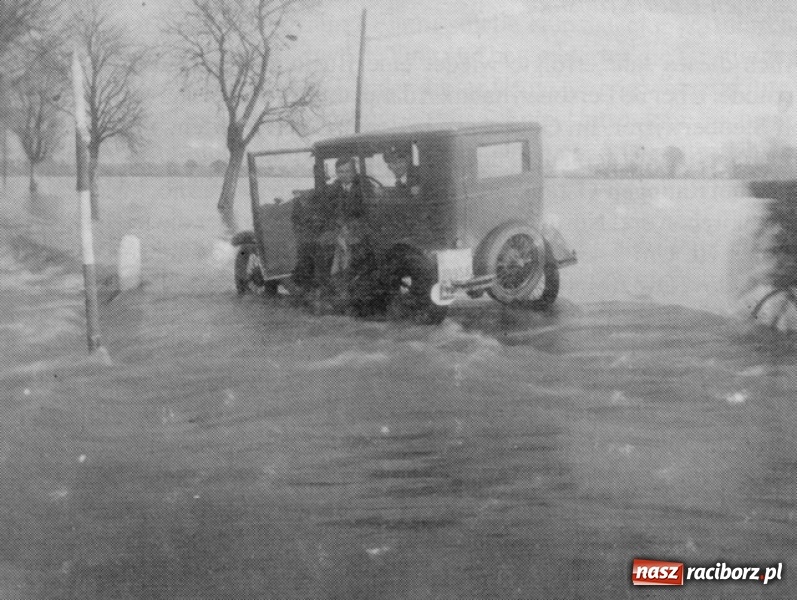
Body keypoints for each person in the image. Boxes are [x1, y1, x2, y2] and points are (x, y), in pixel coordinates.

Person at [313, 156, 376, 312]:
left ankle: (347, 291)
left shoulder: (364, 186)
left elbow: (368, 213)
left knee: (351, 248)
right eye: (340, 171)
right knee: (320, 246)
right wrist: (339, 231)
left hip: (360, 228)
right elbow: (328, 212)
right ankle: (326, 289)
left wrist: (348, 230)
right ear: (336, 173)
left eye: (347, 171)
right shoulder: (332, 189)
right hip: (337, 229)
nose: (344, 174)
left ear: (354, 171)